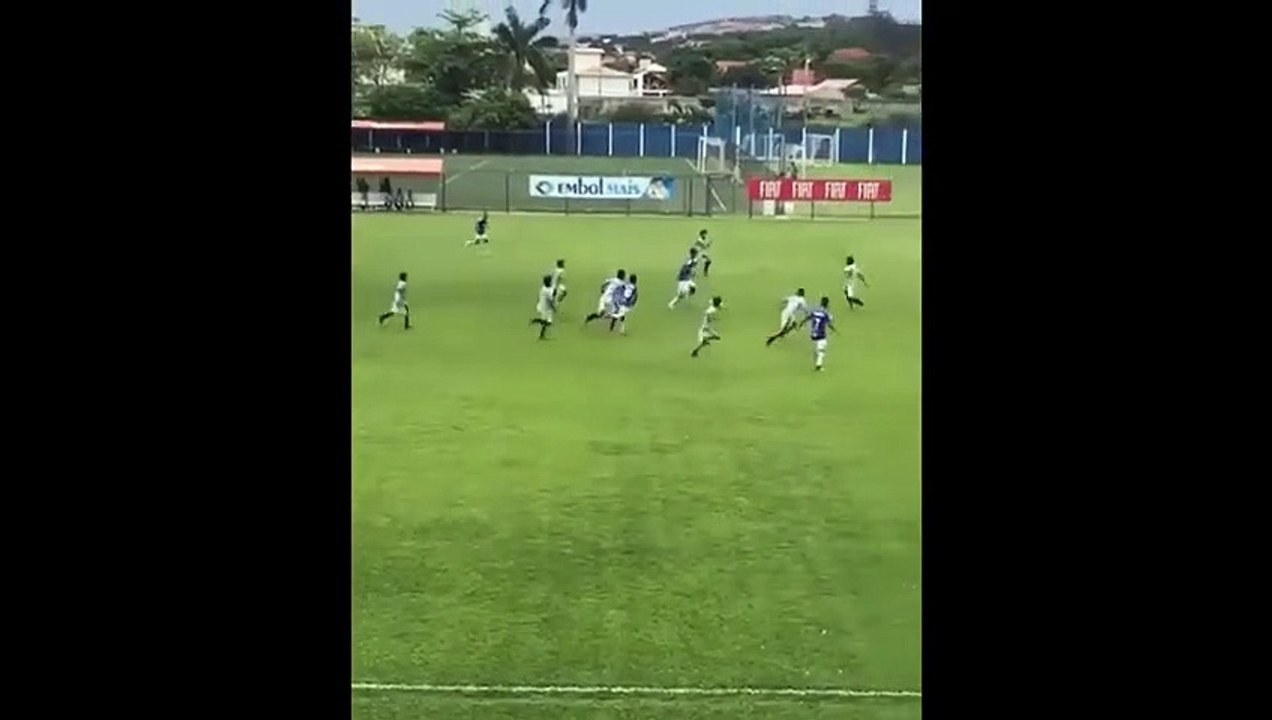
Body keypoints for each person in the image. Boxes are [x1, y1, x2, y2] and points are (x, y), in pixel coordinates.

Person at [797, 296, 837, 371]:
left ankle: (816, 357)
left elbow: (807, 317)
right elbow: (829, 323)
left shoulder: (815, 311)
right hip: (821, 334)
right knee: (822, 350)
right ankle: (819, 366)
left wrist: (801, 323)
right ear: (827, 304)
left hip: (813, 334)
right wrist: (834, 329)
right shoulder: (826, 313)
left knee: (817, 348)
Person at [529, 274, 555, 340]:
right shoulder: (547, 290)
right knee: (548, 322)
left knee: (545, 322)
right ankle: (535, 321)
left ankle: (541, 335)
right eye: (550, 280)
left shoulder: (544, 288)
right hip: (545, 308)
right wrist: (553, 307)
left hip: (542, 306)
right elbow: (550, 300)